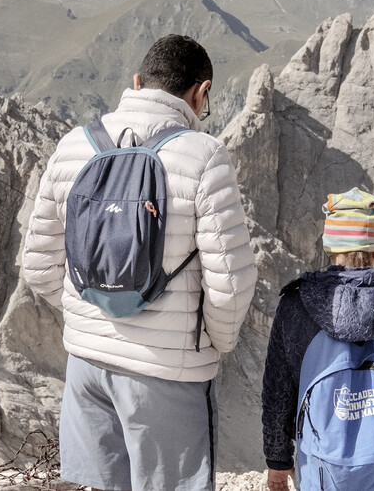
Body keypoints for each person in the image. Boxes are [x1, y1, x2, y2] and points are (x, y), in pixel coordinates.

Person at [22, 34, 258, 491]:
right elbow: (230, 281)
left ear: (137, 82)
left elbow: (37, 264)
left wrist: (91, 313)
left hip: (86, 367)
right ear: (201, 92)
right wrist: (210, 345)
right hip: (166, 373)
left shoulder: (74, 146)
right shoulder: (204, 156)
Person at [261, 189, 374, 491]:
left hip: (322, 473)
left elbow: (277, 394)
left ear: (330, 246)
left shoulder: (296, 305)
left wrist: (278, 464)